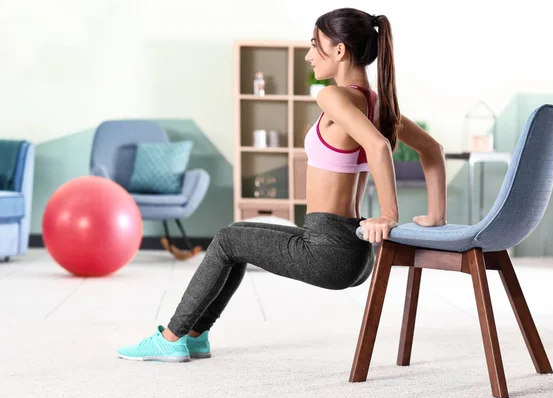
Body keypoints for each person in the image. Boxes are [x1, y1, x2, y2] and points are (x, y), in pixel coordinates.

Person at [116, 7, 447, 362]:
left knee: (228, 239)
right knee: (236, 238)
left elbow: (378, 147)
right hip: (354, 250)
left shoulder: (333, 97)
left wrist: (388, 215)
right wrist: (436, 216)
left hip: (327, 248)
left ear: (339, 50)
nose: (308, 55)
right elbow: (433, 150)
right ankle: (195, 335)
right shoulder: (379, 104)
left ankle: (170, 338)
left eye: (315, 45)